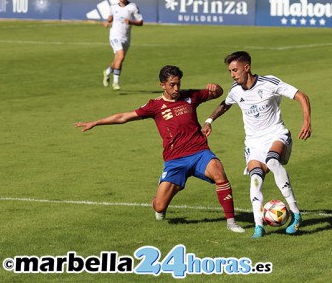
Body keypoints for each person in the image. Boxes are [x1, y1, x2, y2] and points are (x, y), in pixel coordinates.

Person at [76, 65, 245, 233]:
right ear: (162, 85)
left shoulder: (190, 96)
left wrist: (216, 87)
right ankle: (159, 199)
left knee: (220, 174)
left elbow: (218, 93)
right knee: (159, 206)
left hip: (199, 152)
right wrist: (96, 122)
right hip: (175, 160)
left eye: (178, 83)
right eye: (172, 84)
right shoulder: (155, 106)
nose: (176, 88)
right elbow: (124, 117)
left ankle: (231, 222)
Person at [202, 51, 311, 238]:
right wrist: (209, 120)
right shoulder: (236, 90)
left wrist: (307, 121)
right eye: (230, 71)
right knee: (255, 179)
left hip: (277, 134)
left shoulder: (269, 83)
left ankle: (296, 214)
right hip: (253, 143)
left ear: (247, 67)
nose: (232, 75)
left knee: (273, 160)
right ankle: (259, 226)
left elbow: (301, 96)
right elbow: (226, 104)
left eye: (235, 70)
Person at [102, 0, 143, 91]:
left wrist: (131, 22)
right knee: (120, 55)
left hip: (126, 38)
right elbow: (111, 17)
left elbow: (140, 22)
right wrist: (108, 22)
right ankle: (116, 83)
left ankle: (107, 72)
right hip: (114, 36)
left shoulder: (133, 7)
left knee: (118, 60)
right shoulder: (113, 7)